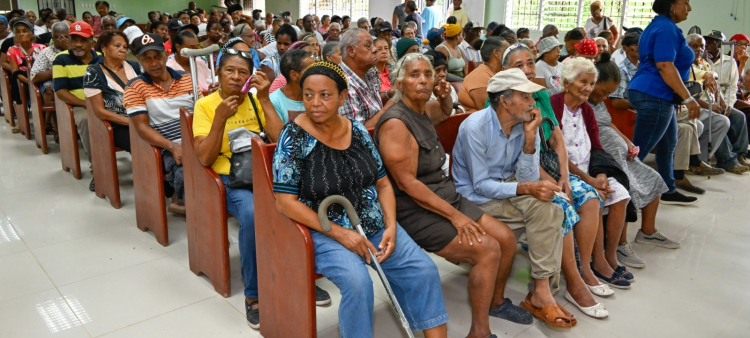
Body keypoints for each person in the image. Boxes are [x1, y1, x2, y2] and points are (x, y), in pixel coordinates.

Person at [273, 60, 449, 338]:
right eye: (308, 95)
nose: (315, 103)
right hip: (324, 231)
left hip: (374, 224)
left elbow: (382, 183)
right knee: (359, 284)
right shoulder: (293, 136)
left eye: (325, 95)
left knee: (423, 270)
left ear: (343, 97)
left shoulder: (357, 131)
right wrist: (342, 235)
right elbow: (284, 202)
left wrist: (391, 226)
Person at [376, 54, 534, 337]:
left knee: (507, 239)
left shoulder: (421, 108)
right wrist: (456, 217)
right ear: (399, 82)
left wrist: (445, 95)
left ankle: (496, 302)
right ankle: (480, 331)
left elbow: (445, 111)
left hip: (443, 195)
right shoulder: (396, 123)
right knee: (487, 249)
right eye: (414, 75)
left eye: (427, 73)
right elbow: (408, 184)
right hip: (414, 209)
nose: (423, 79)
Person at [193, 44, 313, 330]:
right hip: (231, 179)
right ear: (219, 74)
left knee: (306, 200)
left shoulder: (257, 99)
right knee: (251, 214)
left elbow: (280, 141)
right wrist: (220, 118)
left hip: (265, 173)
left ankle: (302, 273)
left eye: (242, 72)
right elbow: (204, 157)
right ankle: (254, 294)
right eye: (229, 71)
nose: (235, 77)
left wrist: (265, 99)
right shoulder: (205, 105)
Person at [498, 44, 614, 307]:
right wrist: (551, 183)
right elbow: (518, 154)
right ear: (505, 70)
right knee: (559, 202)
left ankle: (584, 269)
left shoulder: (539, 95)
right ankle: (573, 283)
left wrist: (563, 175)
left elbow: (557, 139)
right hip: (517, 175)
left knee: (590, 196)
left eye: (530, 63)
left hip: (546, 168)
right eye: (519, 66)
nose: (528, 70)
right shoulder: (500, 98)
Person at [589, 53, 677, 270]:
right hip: (605, 161)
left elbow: (608, 123)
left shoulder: (598, 101)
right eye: (604, 91)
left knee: (653, 179)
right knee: (629, 189)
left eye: (610, 92)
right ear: (593, 82)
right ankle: (620, 243)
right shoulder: (583, 102)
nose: (606, 96)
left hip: (621, 155)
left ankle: (647, 232)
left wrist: (626, 141)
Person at [553, 58, 634, 288]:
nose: (588, 88)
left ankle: (610, 256)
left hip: (589, 170)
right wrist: (589, 180)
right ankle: (595, 262)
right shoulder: (555, 105)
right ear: (567, 83)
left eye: (591, 83)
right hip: (566, 173)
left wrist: (599, 175)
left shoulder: (587, 110)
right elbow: (554, 154)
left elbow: (597, 147)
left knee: (620, 193)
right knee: (595, 195)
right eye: (583, 82)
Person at [627, 0, 715, 205]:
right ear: (672, 5)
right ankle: (622, 195)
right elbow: (665, 65)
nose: (690, 8)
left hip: (658, 94)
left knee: (668, 144)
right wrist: (688, 98)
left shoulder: (661, 26)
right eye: (686, 3)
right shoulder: (665, 28)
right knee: (638, 152)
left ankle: (668, 188)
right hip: (654, 93)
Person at [124, 33, 198, 214]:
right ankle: (195, 207)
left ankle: (204, 201)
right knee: (185, 168)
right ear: (140, 61)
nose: (153, 62)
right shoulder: (134, 87)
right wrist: (172, 146)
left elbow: (201, 111)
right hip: (165, 146)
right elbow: (141, 127)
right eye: (146, 58)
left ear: (167, 55)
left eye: (157, 56)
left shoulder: (187, 78)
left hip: (195, 138)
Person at [53, 21, 102, 191]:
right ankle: (98, 171)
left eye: (83, 40)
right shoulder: (61, 59)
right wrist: (86, 104)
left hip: (104, 102)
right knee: (87, 120)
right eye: (74, 39)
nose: (78, 44)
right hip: (79, 105)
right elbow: (60, 91)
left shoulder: (101, 58)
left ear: (92, 41)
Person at [685, 34, 736, 179]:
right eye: (695, 46)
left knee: (723, 121)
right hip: (689, 106)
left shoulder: (704, 64)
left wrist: (722, 102)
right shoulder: (683, 64)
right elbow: (691, 93)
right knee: (700, 123)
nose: (700, 50)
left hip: (705, 104)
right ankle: (690, 161)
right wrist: (709, 106)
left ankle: (700, 161)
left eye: (702, 46)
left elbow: (713, 80)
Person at [83, 30, 142, 153]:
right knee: (145, 144)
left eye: (125, 47)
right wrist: (133, 123)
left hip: (145, 119)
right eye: (117, 46)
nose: (122, 50)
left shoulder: (135, 67)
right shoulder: (93, 72)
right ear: (104, 48)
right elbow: (100, 112)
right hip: (118, 126)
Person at [703, 30, 750, 171]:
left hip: (723, 101)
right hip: (707, 101)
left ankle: (740, 154)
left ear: (721, 45)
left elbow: (732, 88)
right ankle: (727, 160)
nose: (709, 45)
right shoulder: (703, 61)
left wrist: (728, 106)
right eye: (708, 42)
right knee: (719, 119)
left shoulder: (730, 63)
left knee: (739, 117)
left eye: (714, 42)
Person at [337, 28, 388, 128]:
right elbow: (356, 132)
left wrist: (389, 94)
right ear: (351, 51)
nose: (374, 49)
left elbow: (372, 107)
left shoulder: (367, 73)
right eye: (368, 46)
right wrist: (387, 109)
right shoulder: (343, 84)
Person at [458, 37, 504, 113]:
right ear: (497, 53)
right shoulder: (479, 76)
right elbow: (491, 110)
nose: (510, 53)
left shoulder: (498, 73)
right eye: (507, 50)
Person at [269, 49, 314, 122]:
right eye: (310, 70)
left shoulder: (315, 96)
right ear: (294, 75)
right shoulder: (275, 101)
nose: (316, 73)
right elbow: (278, 132)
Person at [31, 21, 70, 104]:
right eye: (57, 37)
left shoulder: (76, 50)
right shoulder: (46, 52)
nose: (61, 40)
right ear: (52, 37)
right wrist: (58, 70)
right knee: (48, 87)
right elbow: (34, 77)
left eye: (65, 37)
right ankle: (51, 116)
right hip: (53, 81)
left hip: (74, 80)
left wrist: (68, 49)